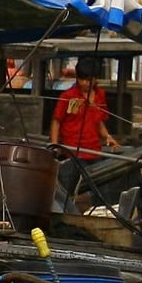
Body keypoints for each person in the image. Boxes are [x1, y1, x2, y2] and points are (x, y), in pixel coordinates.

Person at [49, 57, 116, 209]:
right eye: (82, 79)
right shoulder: (67, 96)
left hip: (94, 150)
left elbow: (99, 121)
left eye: (88, 80)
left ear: (95, 79)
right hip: (73, 152)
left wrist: (107, 137)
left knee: (102, 189)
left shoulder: (100, 95)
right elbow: (56, 121)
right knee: (67, 192)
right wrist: (54, 145)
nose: (85, 83)